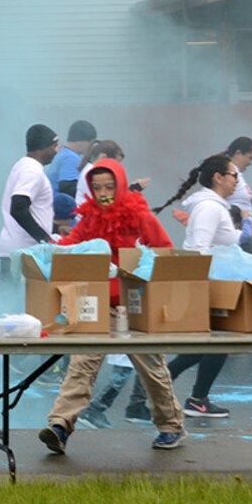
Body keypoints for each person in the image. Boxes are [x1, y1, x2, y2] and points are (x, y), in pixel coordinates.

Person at [37, 157, 187, 454]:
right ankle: (60, 426)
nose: (103, 192)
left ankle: (171, 426)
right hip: (100, 302)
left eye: (109, 186)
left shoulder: (140, 216)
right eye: (97, 187)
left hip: (136, 302)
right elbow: (72, 246)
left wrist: (131, 270)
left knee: (151, 367)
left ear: (120, 185)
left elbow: (164, 252)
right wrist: (47, 252)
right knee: (82, 363)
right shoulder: (90, 218)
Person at [139, 153, 242, 421]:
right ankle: (195, 398)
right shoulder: (210, 207)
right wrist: (203, 288)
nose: (237, 181)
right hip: (208, 284)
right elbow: (199, 248)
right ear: (218, 178)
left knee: (207, 346)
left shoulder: (213, 205)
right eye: (234, 176)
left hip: (213, 282)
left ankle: (159, 387)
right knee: (217, 343)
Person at [0, 125, 60, 281]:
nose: (56, 151)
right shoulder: (31, 171)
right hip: (24, 253)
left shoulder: (24, 165)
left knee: (13, 304)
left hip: (17, 250)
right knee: (20, 304)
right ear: (43, 147)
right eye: (54, 146)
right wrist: (45, 239)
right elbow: (18, 208)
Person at [49, 120, 96, 198]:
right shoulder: (71, 158)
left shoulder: (63, 153)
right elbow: (67, 188)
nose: (91, 148)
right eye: (91, 143)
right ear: (81, 141)